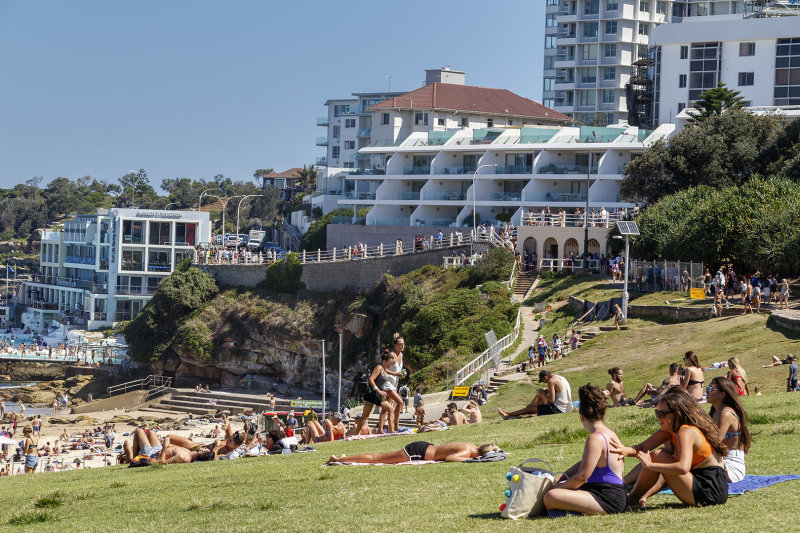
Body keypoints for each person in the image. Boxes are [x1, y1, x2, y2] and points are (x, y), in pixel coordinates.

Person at [612, 387, 728, 508]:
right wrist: (624, 450)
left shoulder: (686, 432)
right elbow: (642, 447)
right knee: (661, 454)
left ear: (676, 415)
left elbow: (683, 468)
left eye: (661, 414)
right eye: (657, 413)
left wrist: (650, 465)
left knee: (658, 455)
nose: (658, 418)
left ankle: (631, 500)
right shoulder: (671, 430)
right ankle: (632, 498)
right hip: (701, 484)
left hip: (709, 490)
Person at [544, 384, 627, 516]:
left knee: (550, 496)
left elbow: (582, 477)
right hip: (610, 492)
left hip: (608, 498)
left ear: (582, 417)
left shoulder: (595, 438)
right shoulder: (609, 433)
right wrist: (564, 476)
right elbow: (587, 462)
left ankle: (567, 511)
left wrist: (558, 487)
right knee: (560, 493)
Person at [707, 377, 751, 483]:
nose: (707, 391)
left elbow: (715, 443)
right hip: (720, 460)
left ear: (722, 394)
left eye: (711, 388)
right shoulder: (714, 412)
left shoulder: (726, 413)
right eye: (707, 388)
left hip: (732, 466)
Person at [327, 442, 499, 465]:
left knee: (379, 456)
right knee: (378, 458)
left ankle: (344, 457)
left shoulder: (471, 445)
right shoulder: (469, 451)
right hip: (418, 452)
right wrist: (471, 460)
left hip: (424, 448)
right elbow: (450, 458)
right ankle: (341, 458)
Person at [497, 370, 572, 419]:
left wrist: (543, 392)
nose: (545, 383)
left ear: (545, 377)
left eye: (543, 381)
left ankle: (509, 415)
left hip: (558, 409)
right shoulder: (559, 377)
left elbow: (552, 400)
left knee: (530, 407)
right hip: (567, 408)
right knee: (539, 396)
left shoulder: (551, 381)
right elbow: (560, 393)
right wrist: (546, 392)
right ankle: (519, 412)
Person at [350, 355, 394, 436]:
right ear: (384, 361)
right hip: (372, 394)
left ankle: (391, 430)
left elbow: (388, 373)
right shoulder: (379, 367)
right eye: (389, 363)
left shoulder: (384, 369)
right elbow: (371, 379)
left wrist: (397, 374)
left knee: (390, 409)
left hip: (377, 395)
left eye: (392, 363)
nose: (390, 365)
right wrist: (379, 391)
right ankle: (356, 434)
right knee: (365, 416)